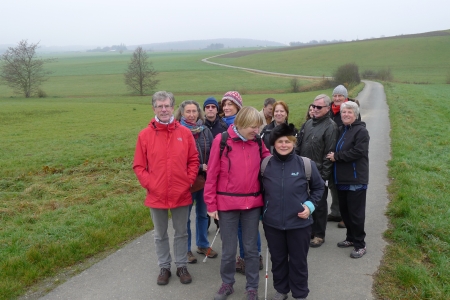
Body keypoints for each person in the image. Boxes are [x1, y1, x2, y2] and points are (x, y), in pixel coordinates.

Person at [133, 91, 199, 285]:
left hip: (181, 192)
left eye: (167, 105)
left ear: (173, 107)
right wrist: (151, 184)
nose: (164, 109)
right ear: (154, 108)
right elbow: (138, 165)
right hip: (157, 194)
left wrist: (187, 181)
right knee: (159, 234)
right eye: (160, 106)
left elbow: (193, 160)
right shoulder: (144, 135)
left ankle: (181, 266)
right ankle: (164, 266)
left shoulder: (184, 133)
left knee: (181, 232)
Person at [205, 106, 270, 300]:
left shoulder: (258, 141)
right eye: (252, 127)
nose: (256, 131)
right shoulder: (222, 140)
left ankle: (252, 288)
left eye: (258, 127)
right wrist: (211, 204)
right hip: (226, 204)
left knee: (251, 249)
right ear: (240, 124)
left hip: (252, 203)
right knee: (229, 250)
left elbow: (269, 162)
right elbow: (212, 174)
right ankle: (227, 284)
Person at [262, 123, 324, 300]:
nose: (283, 145)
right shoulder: (266, 165)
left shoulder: (306, 164)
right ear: (274, 143)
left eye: (288, 141)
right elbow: (260, 191)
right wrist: (263, 213)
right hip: (272, 224)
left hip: (299, 223)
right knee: (278, 260)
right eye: (280, 141)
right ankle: (281, 290)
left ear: (294, 143)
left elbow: (319, 188)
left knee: (298, 262)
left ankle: (300, 293)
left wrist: (310, 207)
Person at [175, 100, 217, 264]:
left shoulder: (205, 130)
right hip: (186, 181)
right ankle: (186, 250)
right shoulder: (177, 132)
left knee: (202, 213)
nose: (191, 115)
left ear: (199, 113)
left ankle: (202, 244)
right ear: (182, 113)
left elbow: (214, 152)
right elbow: (176, 158)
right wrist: (200, 166)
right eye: (188, 112)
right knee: (184, 217)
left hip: (204, 180)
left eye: (194, 111)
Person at [326, 101, 370, 259]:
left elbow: (358, 152)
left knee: (356, 214)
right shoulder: (342, 130)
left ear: (356, 114)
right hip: (342, 179)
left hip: (356, 179)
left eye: (349, 112)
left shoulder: (361, 131)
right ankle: (350, 238)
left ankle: (360, 244)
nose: (346, 115)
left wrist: (337, 157)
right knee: (345, 212)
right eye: (344, 112)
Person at [295, 94, 338, 248]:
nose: (314, 109)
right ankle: (310, 231)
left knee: (319, 204)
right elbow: (299, 146)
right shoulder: (307, 124)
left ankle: (319, 234)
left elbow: (329, 153)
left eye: (319, 107)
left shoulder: (331, 127)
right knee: (305, 202)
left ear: (327, 108)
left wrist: (324, 177)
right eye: (313, 106)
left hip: (319, 172)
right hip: (303, 170)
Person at [327, 85, 362, 228]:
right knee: (333, 184)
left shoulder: (351, 110)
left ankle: (344, 216)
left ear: (345, 97)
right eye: (335, 96)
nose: (336, 98)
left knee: (344, 185)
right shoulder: (329, 110)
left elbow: (355, 132)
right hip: (332, 151)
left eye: (340, 96)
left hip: (343, 152)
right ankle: (336, 212)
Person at [203, 96, 228, 231]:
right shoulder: (200, 127)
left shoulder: (224, 126)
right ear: (204, 110)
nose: (210, 109)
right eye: (208, 107)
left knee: (218, 201)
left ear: (217, 110)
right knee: (205, 204)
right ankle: (204, 230)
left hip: (220, 170)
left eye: (213, 107)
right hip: (203, 171)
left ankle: (221, 228)